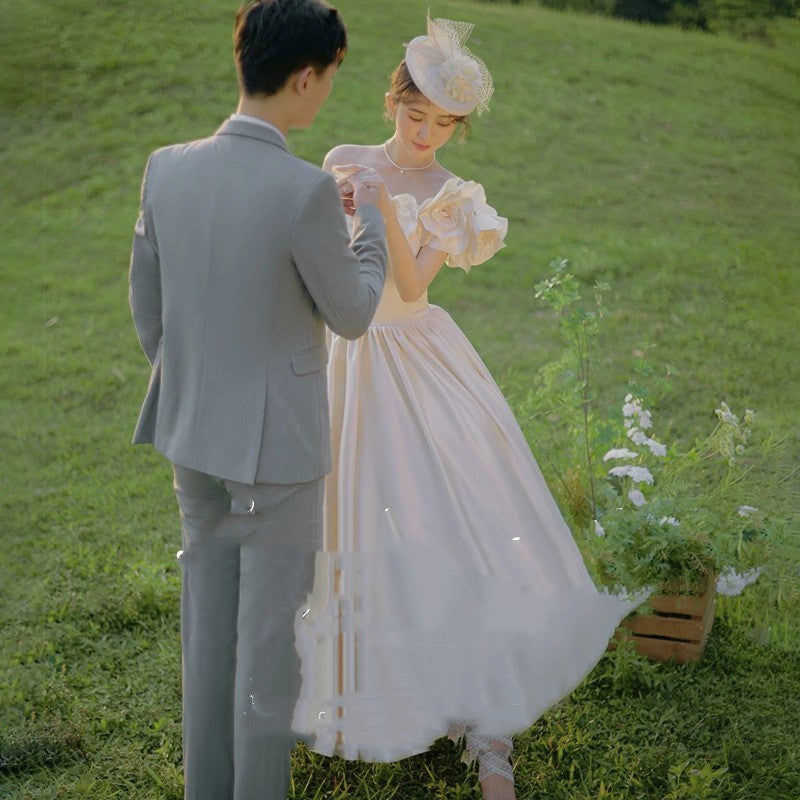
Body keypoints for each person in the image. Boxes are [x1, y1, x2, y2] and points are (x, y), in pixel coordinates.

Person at [291, 16, 643, 800]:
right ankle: (371, 687)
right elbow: (317, 260)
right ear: (393, 103)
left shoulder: (453, 196)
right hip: (345, 353)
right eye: (417, 116)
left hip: (415, 356)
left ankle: (488, 727)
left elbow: (412, 287)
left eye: (445, 124)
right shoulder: (341, 160)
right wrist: (337, 200)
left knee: (436, 513)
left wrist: (383, 209)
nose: (427, 135)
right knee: (346, 514)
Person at [128, 1, 388, 798]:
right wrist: (370, 223)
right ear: (305, 77)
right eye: (332, 77)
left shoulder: (165, 166)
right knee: (267, 655)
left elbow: (148, 307)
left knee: (208, 637)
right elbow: (352, 311)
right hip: (277, 458)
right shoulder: (305, 190)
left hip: (191, 437)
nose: (328, 94)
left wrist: (203, 377)